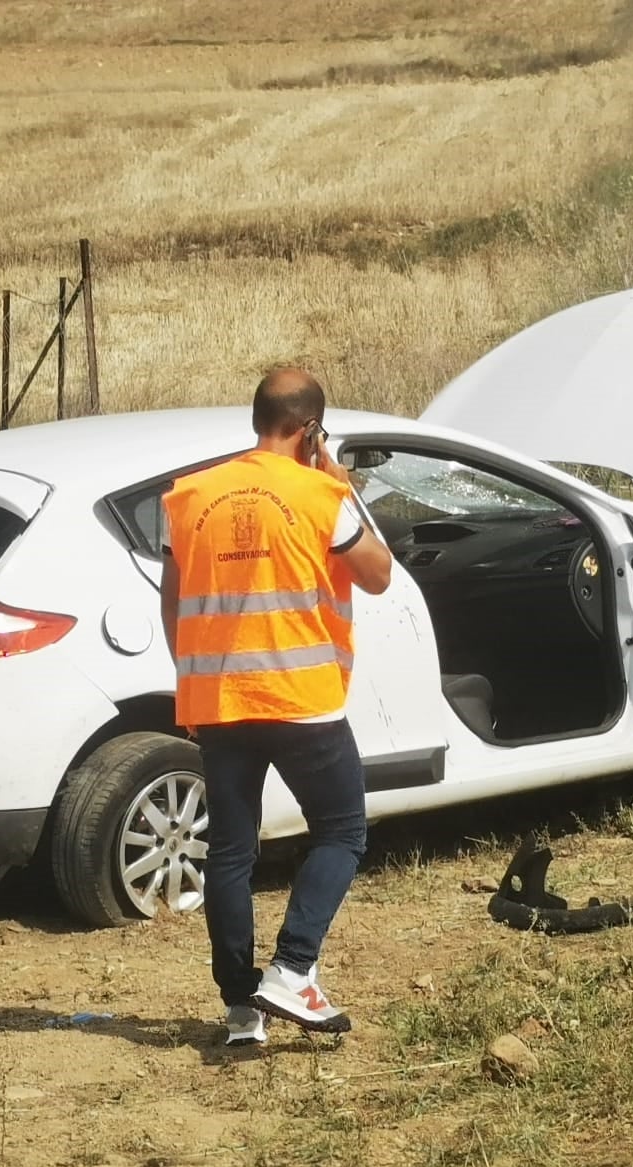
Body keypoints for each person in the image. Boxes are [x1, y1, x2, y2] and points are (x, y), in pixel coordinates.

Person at [159, 367, 393, 1046]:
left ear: (257, 417)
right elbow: (378, 576)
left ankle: (241, 1010)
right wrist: (338, 479)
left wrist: (194, 675)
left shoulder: (188, 496)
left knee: (230, 851)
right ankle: (292, 969)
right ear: (311, 426)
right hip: (299, 696)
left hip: (219, 697)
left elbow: (173, 600)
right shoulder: (321, 494)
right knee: (342, 831)